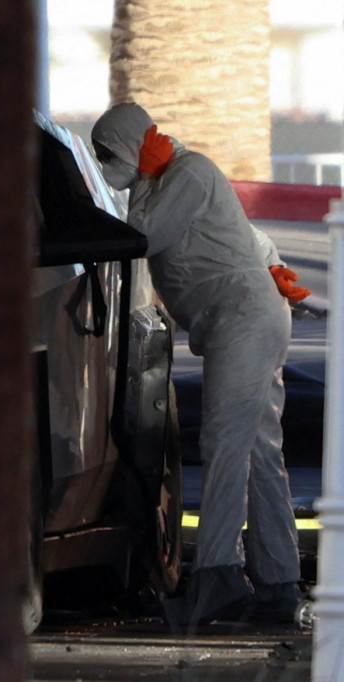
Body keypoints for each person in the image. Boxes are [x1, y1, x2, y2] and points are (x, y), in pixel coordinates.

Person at [90, 103, 311, 628]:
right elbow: (241, 232)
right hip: (244, 320)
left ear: (130, 144)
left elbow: (142, 236)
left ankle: (219, 577)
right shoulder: (180, 178)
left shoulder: (187, 172)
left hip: (245, 320)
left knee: (224, 444)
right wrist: (270, 260)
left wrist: (145, 178)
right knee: (259, 449)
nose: (104, 165)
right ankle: (278, 583)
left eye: (107, 153)